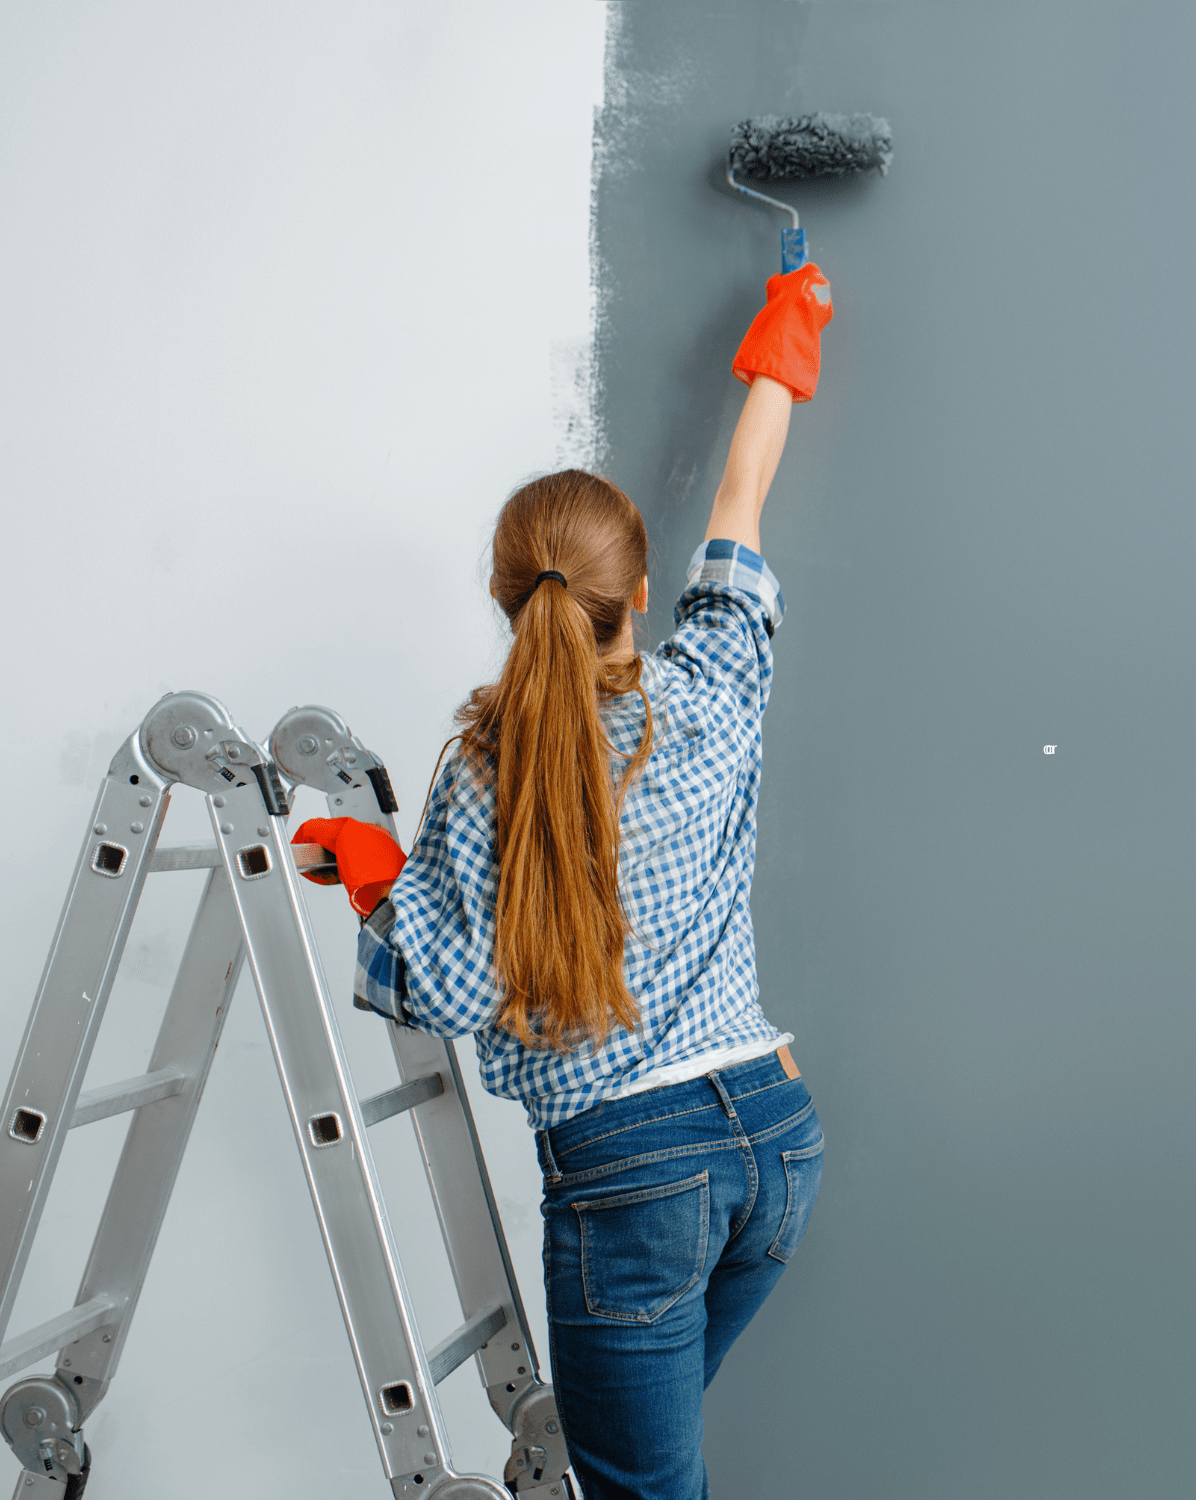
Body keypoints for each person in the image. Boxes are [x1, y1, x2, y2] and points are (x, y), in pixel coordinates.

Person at [292, 262, 838, 1500]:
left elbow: (446, 983)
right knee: (634, 1468)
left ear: (509, 606)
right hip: (779, 1141)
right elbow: (744, 495)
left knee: (639, 1488)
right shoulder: (713, 687)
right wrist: (785, 339)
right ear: (641, 594)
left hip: (638, 1172)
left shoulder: (494, 769)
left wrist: (377, 881)